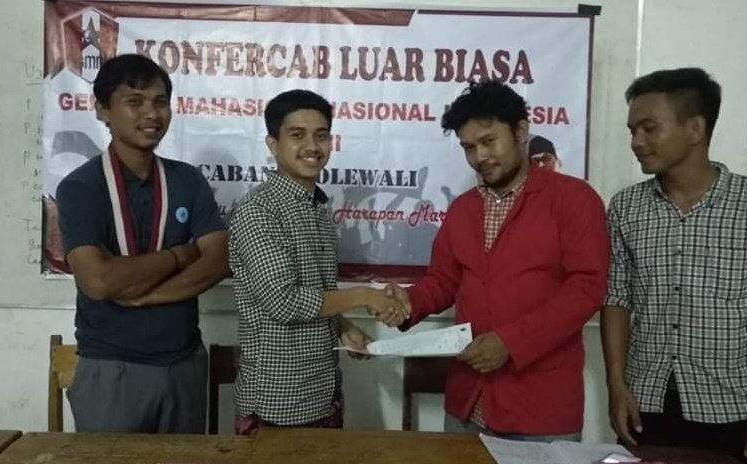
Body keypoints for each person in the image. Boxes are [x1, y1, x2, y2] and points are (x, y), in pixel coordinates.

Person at [601, 68, 747, 464]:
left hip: (739, 409)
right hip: (649, 406)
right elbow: (616, 298)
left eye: (649, 128)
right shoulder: (626, 208)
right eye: (632, 131)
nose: (637, 142)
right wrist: (617, 386)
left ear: (695, 128)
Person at [388, 80, 609, 440]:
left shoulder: (574, 200)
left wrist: (510, 342)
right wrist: (408, 302)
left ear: (521, 131)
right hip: (467, 402)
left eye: (489, 141)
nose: (479, 157)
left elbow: (586, 290)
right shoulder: (463, 209)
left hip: (540, 407)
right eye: (468, 147)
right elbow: (444, 280)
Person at [56, 54, 230, 433]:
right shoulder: (80, 188)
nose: (152, 113)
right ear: (102, 109)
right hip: (112, 368)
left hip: (184, 363)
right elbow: (99, 281)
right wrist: (180, 254)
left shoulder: (187, 180)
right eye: (134, 101)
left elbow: (219, 259)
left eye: (160, 102)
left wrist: (146, 295)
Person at [228, 89, 408, 435]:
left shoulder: (316, 208)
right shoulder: (259, 211)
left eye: (321, 135)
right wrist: (364, 295)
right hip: (278, 401)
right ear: (273, 144)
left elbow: (313, 293)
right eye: (297, 135)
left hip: (323, 392)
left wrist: (342, 327)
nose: (312, 146)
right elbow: (284, 301)